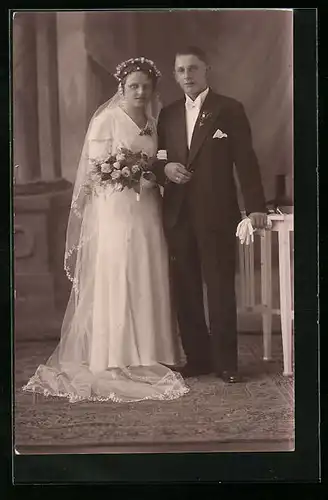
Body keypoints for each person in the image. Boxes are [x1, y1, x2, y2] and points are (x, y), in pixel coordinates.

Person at [23, 57, 189, 403]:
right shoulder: (106, 120)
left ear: (153, 90)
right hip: (117, 211)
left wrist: (151, 174)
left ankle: (151, 352)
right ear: (122, 88)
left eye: (146, 86)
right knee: (121, 273)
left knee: (149, 270)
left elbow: (155, 162)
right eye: (134, 86)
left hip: (148, 210)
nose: (140, 92)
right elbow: (95, 170)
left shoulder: (153, 123)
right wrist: (126, 173)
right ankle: (115, 356)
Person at [153, 46, 268, 382]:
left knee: (219, 289)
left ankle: (226, 364)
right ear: (174, 75)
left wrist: (256, 206)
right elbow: (159, 157)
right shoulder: (169, 114)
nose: (187, 75)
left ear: (207, 71)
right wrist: (167, 169)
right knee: (186, 289)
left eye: (193, 69)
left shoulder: (229, 109)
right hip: (177, 213)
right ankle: (198, 359)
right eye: (180, 70)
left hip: (218, 213)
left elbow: (246, 160)